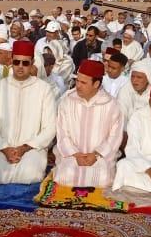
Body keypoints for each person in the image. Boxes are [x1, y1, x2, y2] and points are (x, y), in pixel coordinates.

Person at [0, 40, 57, 185]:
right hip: (3, 147)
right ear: (11, 61)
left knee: (30, 175)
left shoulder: (43, 89)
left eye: (25, 63)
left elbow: (50, 127)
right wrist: (4, 148)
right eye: (17, 62)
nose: (20, 67)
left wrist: (25, 148)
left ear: (32, 62)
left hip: (32, 148)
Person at [52, 59, 124, 188]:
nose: (78, 85)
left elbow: (115, 137)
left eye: (83, 82)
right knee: (65, 177)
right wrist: (75, 154)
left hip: (100, 157)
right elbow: (62, 132)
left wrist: (96, 155)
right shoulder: (67, 101)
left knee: (102, 180)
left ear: (96, 84)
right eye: (77, 81)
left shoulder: (112, 105)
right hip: (72, 155)